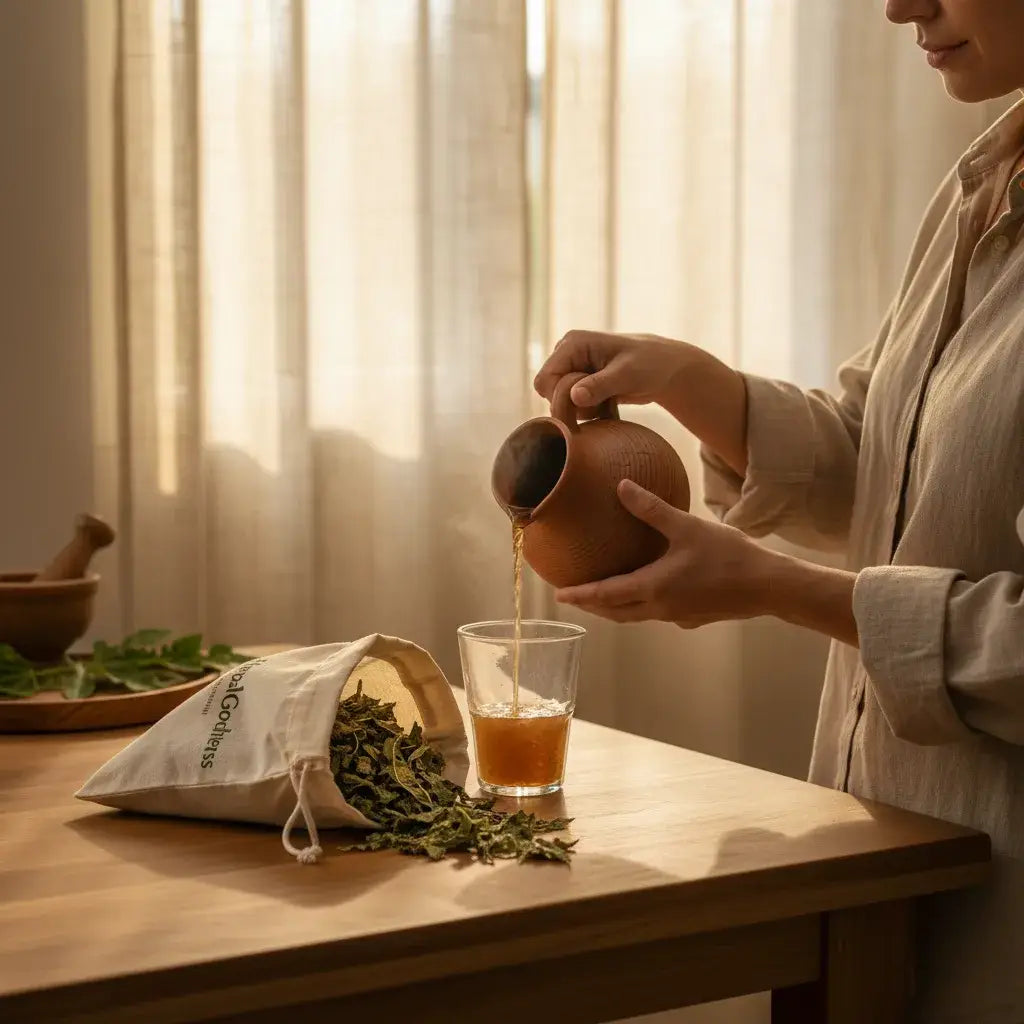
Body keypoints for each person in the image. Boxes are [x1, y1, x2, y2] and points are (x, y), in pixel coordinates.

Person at [534, 2, 1024, 1021]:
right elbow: (895, 466)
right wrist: (691, 380)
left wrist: (777, 590)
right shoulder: (983, 178)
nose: (899, 7)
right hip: (875, 864)